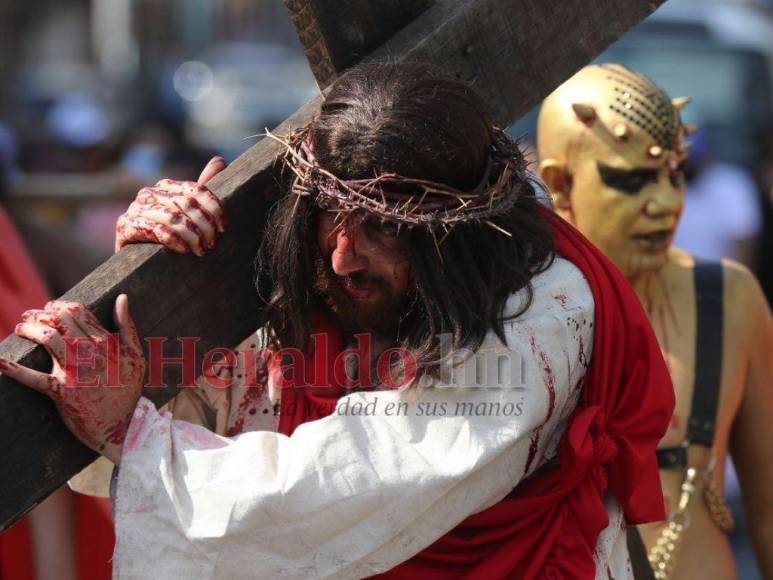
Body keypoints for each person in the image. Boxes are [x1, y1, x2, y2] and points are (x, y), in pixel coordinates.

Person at [1, 63, 673, 579]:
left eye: (385, 228)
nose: (346, 257)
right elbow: (203, 410)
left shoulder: (542, 311)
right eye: (331, 218)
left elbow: (356, 480)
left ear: (460, 236)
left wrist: (133, 431)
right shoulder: (302, 263)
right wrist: (166, 271)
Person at [537, 63, 773, 579]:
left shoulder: (728, 297)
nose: (666, 203)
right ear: (559, 182)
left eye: (675, 174)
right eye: (632, 179)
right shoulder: (520, 311)